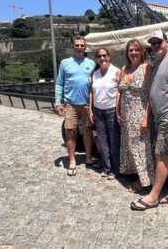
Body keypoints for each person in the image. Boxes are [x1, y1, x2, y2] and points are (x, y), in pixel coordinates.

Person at [130, 30, 168, 211]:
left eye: (159, 41)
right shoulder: (157, 64)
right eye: (153, 43)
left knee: (161, 155)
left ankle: (153, 197)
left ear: (167, 42)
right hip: (162, 116)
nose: (156, 45)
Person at [55, 35, 98, 176]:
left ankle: (88, 158)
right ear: (73, 47)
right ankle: (72, 161)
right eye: (77, 45)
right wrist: (57, 102)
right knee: (71, 132)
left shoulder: (91, 63)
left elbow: (96, 83)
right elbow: (59, 83)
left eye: (82, 45)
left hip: (87, 104)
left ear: (85, 47)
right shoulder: (65, 63)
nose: (80, 48)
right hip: (70, 104)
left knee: (87, 131)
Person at [117, 39, 154, 192]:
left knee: (141, 148)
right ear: (127, 53)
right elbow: (120, 92)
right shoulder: (124, 68)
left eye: (136, 50)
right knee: (129, 147)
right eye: (130, 50)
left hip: (139, 115)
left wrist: (146, 117)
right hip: (126, 116)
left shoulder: (146, 68)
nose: (133, 53)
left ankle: (146, 180)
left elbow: (151, 94)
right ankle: (136, 173)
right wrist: (117, 111)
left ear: (141, 52)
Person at [89, 47, 121, 180]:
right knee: (102, 141)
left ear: (109, 57)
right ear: (96, 59)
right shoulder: (95, 74)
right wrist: (90, 110)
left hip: (111, 110)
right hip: (98, 111)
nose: (102, 58)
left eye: (104, 56)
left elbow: (120, 92)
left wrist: (118, 110)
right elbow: (92, 92)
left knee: (114, 141)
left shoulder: (116, 71)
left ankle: (115, 169)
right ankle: (106, 167)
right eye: (99, 56)